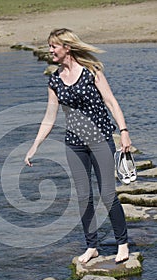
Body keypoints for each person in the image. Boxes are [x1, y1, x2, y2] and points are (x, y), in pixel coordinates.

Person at [24, 28, 131, 264]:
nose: (50, 50)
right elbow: (49, 118)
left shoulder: (92, 71)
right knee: (84, 196)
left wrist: (123, 132)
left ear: (67, 48)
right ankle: (92, 246)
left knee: (108, 194)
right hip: (74, 145)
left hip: (101, 140)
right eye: (49, 46)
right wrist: (35, 146)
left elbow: (111, 102)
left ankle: (122, 244)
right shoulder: (54, 80)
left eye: (53, 46)